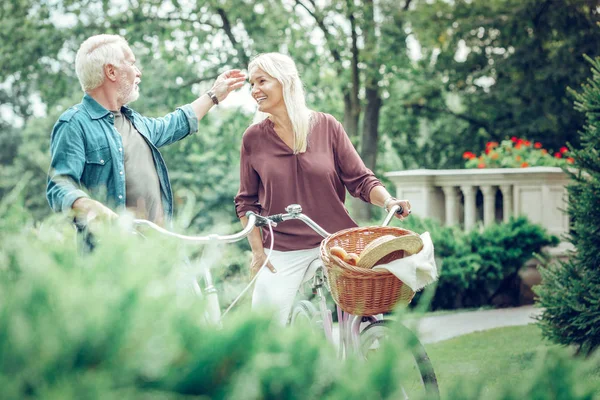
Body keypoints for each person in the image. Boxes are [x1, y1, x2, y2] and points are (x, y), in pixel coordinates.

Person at [234, 53, 411, 325]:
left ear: (285, 82)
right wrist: (258, 252)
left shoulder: (327, 126)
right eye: (251, 84)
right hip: (282, 247)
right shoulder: (254, 138)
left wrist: (389, 202)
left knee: (368, 308)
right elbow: (246, 203)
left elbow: (360, 180)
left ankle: (369, 344)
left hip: (335, 240)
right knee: (263, 328)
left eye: (261, 81)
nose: (254, 90)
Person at [46, 34, 245, 228]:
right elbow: (59, 187)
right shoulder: (73, 123)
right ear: (111, 72)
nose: (138, 72)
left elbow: (175, 123)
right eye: (132, 64)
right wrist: (94, 210)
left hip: (157, 251)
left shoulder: (135, 122)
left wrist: (213, 95)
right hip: (112, 254)